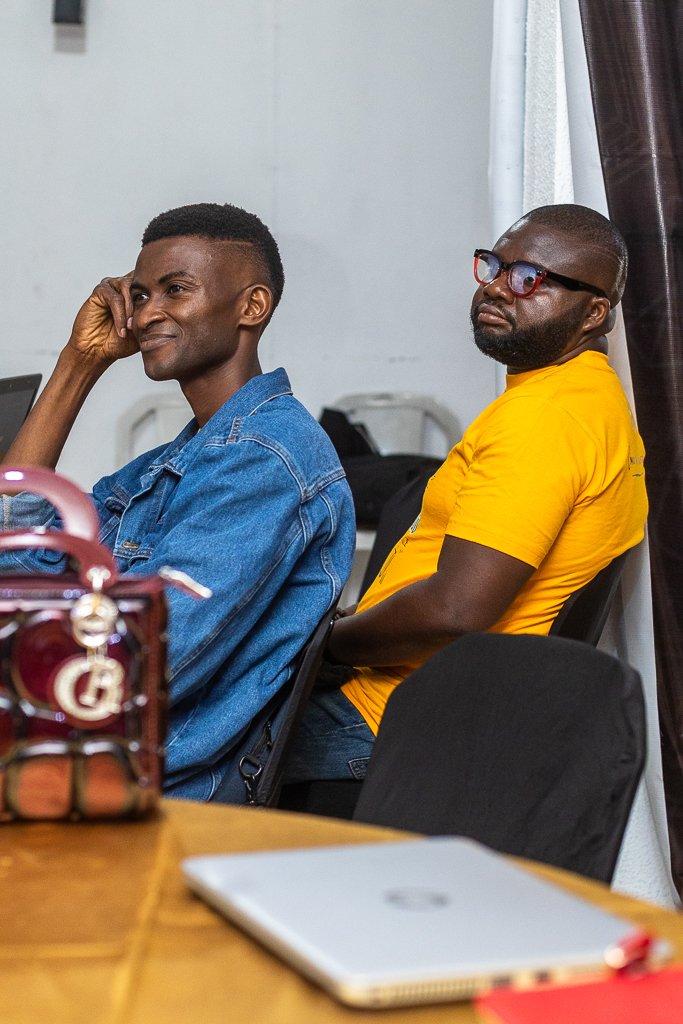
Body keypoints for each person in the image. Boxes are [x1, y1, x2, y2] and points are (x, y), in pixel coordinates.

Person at [0, 202, 355, 800]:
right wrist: (79, 363)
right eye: (140, 295)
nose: (146, 314)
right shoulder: (186, 456)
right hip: (80, 751)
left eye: (176, 290)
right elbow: (19, 549)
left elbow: (134, 666)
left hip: (144, 785)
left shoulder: (262, 461)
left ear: (252, 306)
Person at [285, 203, 648, 784]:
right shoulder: (586, 398)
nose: (498, 288)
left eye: (529, 278)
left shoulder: (545, 418)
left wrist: (325, 646)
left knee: (180, 752)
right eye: (494, 266)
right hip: (448, 706)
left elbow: (457, 610)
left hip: (394, 719)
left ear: (594, 313)